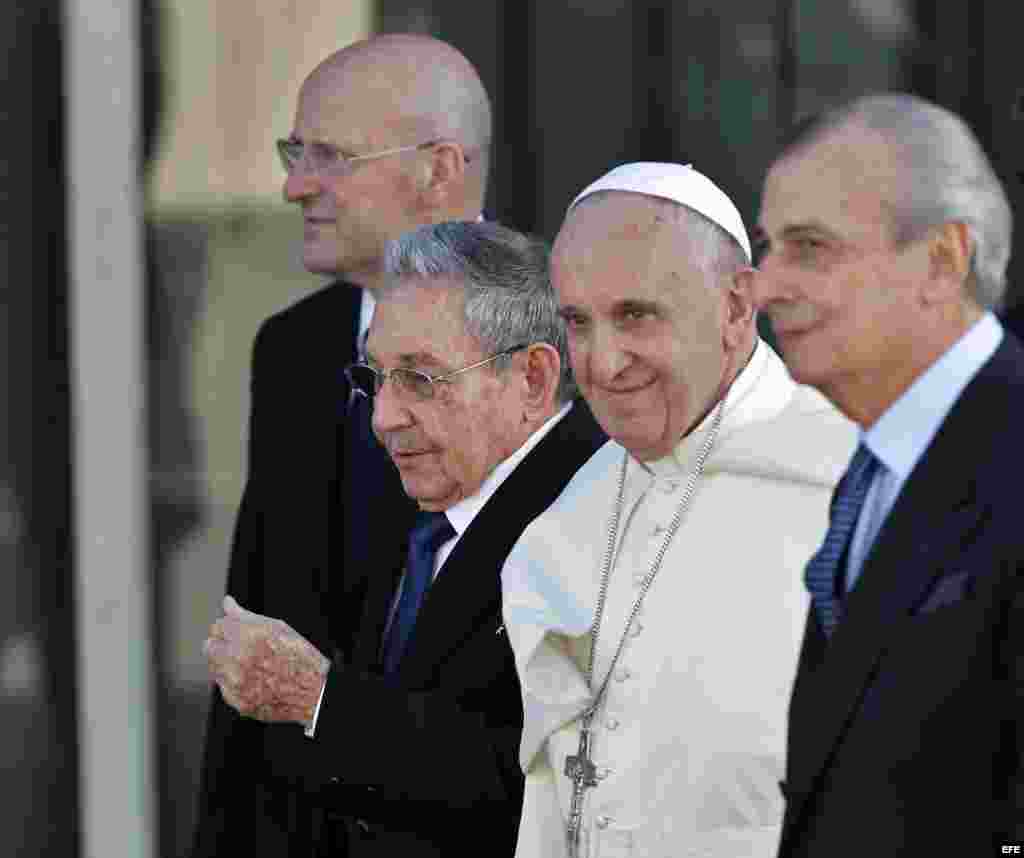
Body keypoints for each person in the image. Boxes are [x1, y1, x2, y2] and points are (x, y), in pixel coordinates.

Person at [203, 221, 606, 856]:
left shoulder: (598, 516)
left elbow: (544, 786)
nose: (384, 418)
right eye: (376, 377)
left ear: (532, 378)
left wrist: (321, 700)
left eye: (420, 379)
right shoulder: (419, 501)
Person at [192, 34, 497, 855]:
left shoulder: (563, 347)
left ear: (440, 169)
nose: (295, 186)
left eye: (329, 155)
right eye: (296, 152)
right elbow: (252, 624)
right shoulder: (292, 351)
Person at [500, 162, 856, 858]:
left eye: (635, 315)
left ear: (734, 309)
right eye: (578, 322)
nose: (602, 364)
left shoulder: (843, 482)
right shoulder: (570, 507)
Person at [752, 94, 1024, 855]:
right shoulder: (876, 467)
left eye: (809, 247)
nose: (765, 286)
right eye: (768, 245)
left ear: (942, 261)